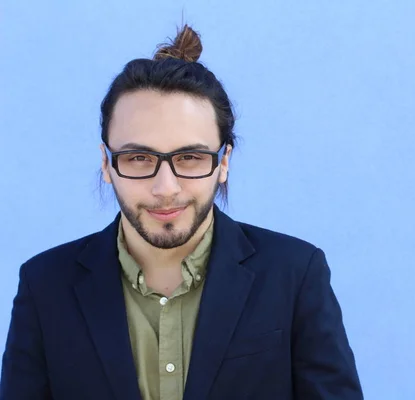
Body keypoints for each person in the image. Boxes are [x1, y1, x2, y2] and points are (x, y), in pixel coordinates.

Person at [0, 24, 363, 400]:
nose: (166, 188)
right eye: (138, 158)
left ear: (224, 162)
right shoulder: (44, 285)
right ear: (106, 164)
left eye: (189, 157)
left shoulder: (295, 273)